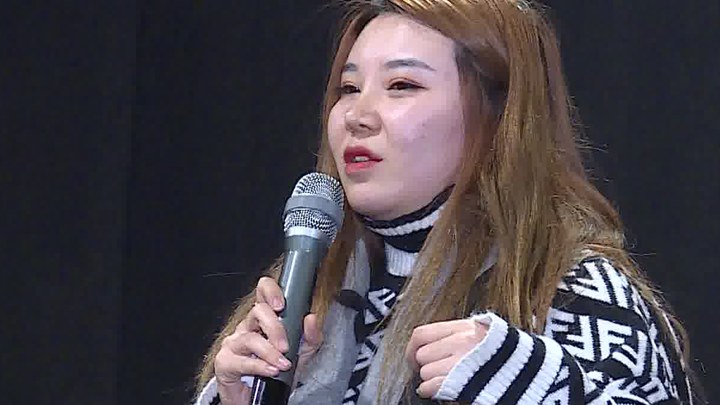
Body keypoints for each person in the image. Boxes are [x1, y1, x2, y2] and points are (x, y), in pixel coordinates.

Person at [194, 1, 695, 404]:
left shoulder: (572, 292)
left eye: (401, 85)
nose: (357, 115)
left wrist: (538, 387)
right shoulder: (312, 295)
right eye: (348, 88)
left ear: (498, 116)